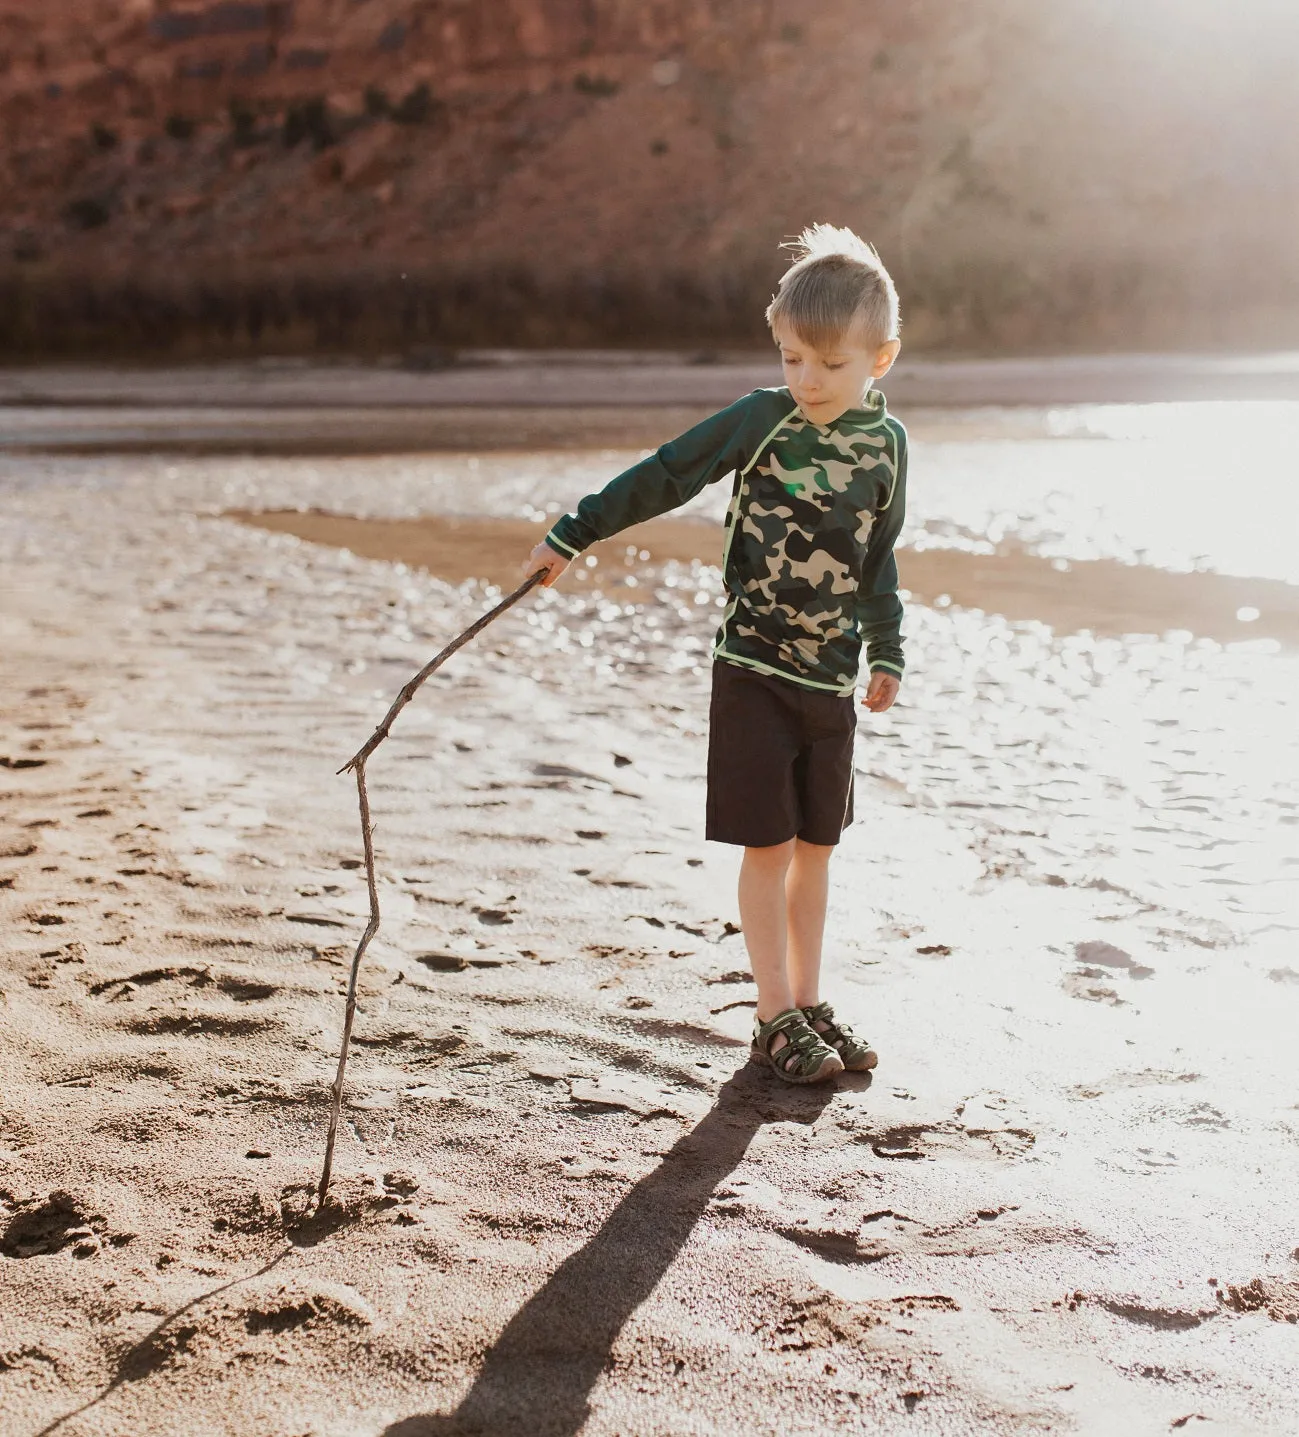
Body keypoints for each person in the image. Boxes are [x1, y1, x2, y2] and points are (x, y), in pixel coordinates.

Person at [523, 224, 907, 1084]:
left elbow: (876, 556)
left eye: (828, 364)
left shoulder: (887, 446)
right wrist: (573, 534)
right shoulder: (761, 419)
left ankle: (809, 1004)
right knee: (767, 849)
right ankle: (772, 1017)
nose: (805, 380)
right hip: (753, 674)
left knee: (818, 849)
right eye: (790, 358)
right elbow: (667, 472)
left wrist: (887, 648)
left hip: (829, 681)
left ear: (879, 360)